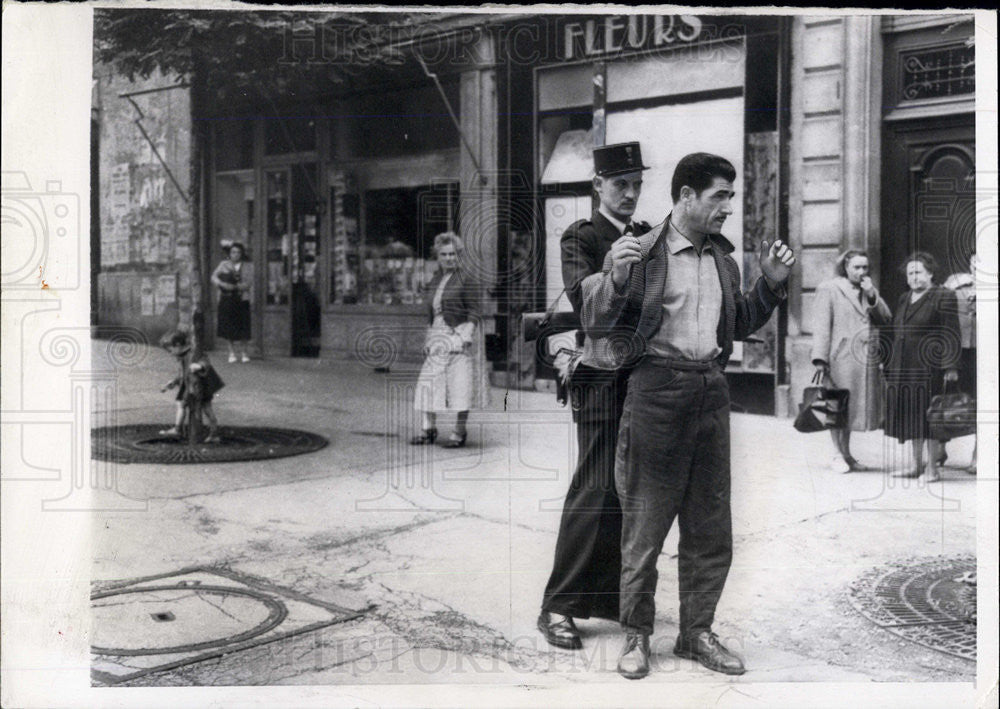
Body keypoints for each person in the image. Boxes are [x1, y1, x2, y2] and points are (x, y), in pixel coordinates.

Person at [580, 153, 795, 679]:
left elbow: (739, 322)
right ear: (685, 196)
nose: (728, 207)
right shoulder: (643, 251)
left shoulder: (723, 258)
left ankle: (696, 633)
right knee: (645, 525)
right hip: (654, 393)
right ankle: (636, 634)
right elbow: (595, 319)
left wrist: (768, 284)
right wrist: (614, 275)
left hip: (710, 393)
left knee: (709, 525)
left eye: (730, 196)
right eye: (720, 196)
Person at [538, 142, 652, 650]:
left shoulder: (646, 236)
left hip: (643, 376)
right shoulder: (581, 236)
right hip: (601, 378)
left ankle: (606, 598)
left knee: (629, 493)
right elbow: (586, 303)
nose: (629, 194)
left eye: (636, 185)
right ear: (598, 187)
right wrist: (614, 268)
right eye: (620, 185)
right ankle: (558, 605)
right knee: (595, 488)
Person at [880, 252, 961, 481]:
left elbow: (951, 333)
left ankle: (932, 469)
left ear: (930, 273)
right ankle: (916, 466)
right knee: (911, 416)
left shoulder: (943, 296)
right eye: (910, 273)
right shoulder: (905, 298)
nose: (914, 277)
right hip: (903, 366)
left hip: (929, 367)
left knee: (930, 417)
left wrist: (951, 367)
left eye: (918, 272)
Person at [810, 250, 891, 472]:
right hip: (840, 357)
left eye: (865, 267)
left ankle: (847, 453)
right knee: (836, 405)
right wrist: (820, 358)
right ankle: (836, 453)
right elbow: (821, 326)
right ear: (845, 267)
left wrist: (872, 293)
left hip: (863, 358)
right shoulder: (830, 288)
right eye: (857, 267)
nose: (862, 272)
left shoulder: (867, 289)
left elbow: (885, 317)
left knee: (852, 408)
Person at [410, 232, 489, 448]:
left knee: (459, 384)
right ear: (438, 256)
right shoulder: (435, 279)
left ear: (459, 255)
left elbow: (475, 310)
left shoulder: (467, 278)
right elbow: (432, 313)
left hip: (458, 333)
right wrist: (428, 337)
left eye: (453, 254)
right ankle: (428, 429)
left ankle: (459, 432)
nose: (449, 258)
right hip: (437, 334)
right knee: (428, 382)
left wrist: (467, 334)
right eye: (444, 254)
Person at [942, 251, 977, 474]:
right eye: (976, 261)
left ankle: (978, 456)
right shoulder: (955, 282)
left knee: (984, 405)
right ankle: (939, 448)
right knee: (946, 399)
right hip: (958, 350)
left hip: (987, 351)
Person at [158, 330, 224, 442]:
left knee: (188, 405)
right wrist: (174, 382)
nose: (170, 354)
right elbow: (183, 374)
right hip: (196, 386)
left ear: (178, 345)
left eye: (170, 350)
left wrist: (199, 366)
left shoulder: (193, 353)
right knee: (201, 408)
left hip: (200, 387)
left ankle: (179, 429)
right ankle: (213, 434)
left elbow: (205, 362)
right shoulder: (183, 356)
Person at [211, 241, 253, 363]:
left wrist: (236, 287)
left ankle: (244, 352)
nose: (236, 255)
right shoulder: (224, 264)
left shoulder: (248, 266)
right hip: (227, 298)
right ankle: (231, 352)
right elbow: (213, 277)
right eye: (233, 252)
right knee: (229, 325)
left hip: (242, 298)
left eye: (239, 252)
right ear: (230, 253)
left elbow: (249, 282)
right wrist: (222, 284)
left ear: (242, 254)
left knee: (244, 326)